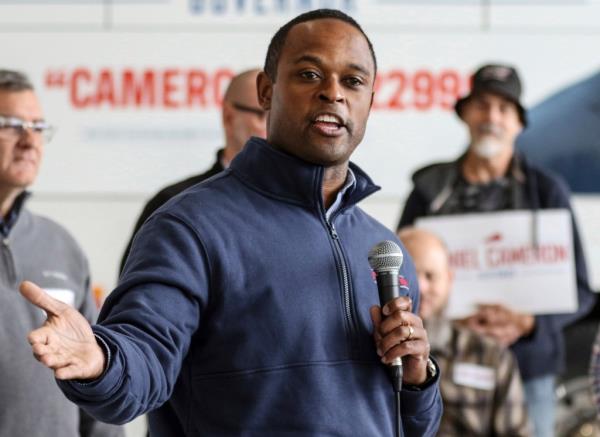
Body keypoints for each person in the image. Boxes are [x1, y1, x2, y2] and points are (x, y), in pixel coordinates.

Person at [20, 9, 442, 436]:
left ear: (370, 99)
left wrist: (416, 379)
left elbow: (412, 427)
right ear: (266, 90)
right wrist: (100, 362)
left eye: (353, 81)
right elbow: (144, 356)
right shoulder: (190, 227)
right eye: (310, 74)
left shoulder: (384, 250)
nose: (332, 93)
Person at [397, 63, 595, 437]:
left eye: (504, 108)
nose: (492, 117)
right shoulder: (429, 190)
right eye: (482, 105)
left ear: (519, 123)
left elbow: (581, 292)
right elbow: (400, 278)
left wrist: (529, 323)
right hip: (443, 366)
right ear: (465, 114)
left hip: (529, 368)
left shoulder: (548, 191)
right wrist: (444, 316)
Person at [0, 70, 122, 437]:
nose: (29, 141)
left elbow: (93, 370)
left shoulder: (61, 244)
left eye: (37, 127)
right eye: (11, 124)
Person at [119, 68, 267, 272]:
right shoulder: (172, 202)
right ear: (229, 117)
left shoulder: (303, 203)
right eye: (263, 114)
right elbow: (137, 295)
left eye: (280, 115)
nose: (274, 127)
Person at [399, 227, 532, 436]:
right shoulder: (370, 355)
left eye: (430, 275)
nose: (421, 287)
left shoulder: (490, 356)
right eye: (410, 275)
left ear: (449, 279)